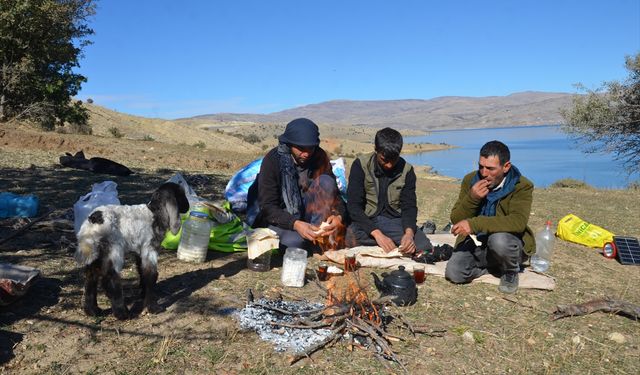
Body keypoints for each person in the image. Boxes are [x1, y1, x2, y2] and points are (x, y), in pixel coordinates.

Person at [444, 140, 535, 293]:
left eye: (490, 168)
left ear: (506, 167)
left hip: (506, 243)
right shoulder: (470, 180)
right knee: (455, 273)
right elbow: (456, 219)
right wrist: (472, 197)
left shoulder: (521, 185)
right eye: (481, 166)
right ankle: (494, 269)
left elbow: (518, 222)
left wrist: (474, 224)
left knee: (498, 240)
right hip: (477, 242)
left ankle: (510, 271)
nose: (484, 173)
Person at [247, 118, 346, 252]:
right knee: (295, 243)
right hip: (282, 218)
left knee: (327, 182)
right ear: (289, 144)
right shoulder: (272, 160)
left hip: (308, 214)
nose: (306, 153)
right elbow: (268, 207)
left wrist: (338, 215)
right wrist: (295, 224)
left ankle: (317, 233)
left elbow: (335, 194)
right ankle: (310, 238)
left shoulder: (319, 156)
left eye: (310, 148)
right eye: (300, 148)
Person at [346, 127, 430, 255]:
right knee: (348, 236)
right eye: (384, 160)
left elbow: (409, 207)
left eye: (394, 159)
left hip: (394, 222)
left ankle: (395, 242)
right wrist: (378, 235)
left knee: (423, 245)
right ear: (376, 150)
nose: (389, 165)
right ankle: (389, 242)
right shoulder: (360, 165)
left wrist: (408, 234)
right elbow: (354, 206)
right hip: (368, 221)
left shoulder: (407, 171)